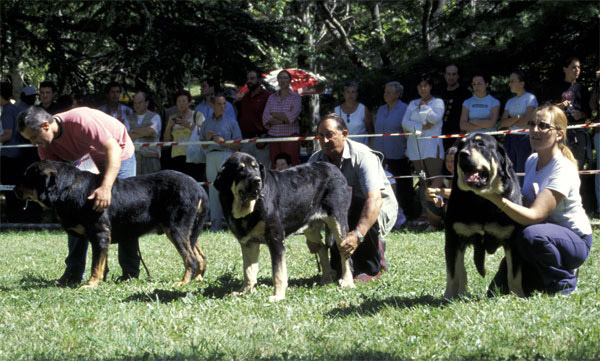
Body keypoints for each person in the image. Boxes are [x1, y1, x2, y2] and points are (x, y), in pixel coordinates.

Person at [18, 106, 139, 285]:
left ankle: (130, 273)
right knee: (73, 215)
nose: (34, 143)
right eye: (30, 140)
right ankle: (74, 273)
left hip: (118, 154)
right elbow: (59, 181)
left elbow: (113, 149)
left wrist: (105, 187)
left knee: (125, 214)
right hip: (85, 162)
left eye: (34, 137)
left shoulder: (81, 122)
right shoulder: (46, 148)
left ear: (45, 125)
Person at [482, 105, 592, 295]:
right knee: (497, 292)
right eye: (532, 124)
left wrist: (494, 197)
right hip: (541, 235)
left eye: (543, 126)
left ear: (559, 134)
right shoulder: (532, 160)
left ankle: (564, 282)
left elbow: (533, 215)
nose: (534, 130)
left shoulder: (563, 169)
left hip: (573, 240)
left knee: (531, 234)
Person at [309, 114, 397, 281]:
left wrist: (357, 234)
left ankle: (372, 265)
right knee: (338, 269)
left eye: (329, 134)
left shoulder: (364, 156)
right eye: (320, 136)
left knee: (357, 204)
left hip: (376, 209)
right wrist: (311, 236)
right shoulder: (315, 161)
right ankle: (340, 264)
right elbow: (308, 202)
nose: (324, 140)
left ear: (345, 134)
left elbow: (375, 200)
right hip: (341, 212)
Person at [402, 73, 445, 223]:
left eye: (426, 85)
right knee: (422, 180)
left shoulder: (438, 102)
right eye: (420, 86)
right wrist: (420, 126)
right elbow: (404, 123)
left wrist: (425, 108)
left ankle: (436, 212)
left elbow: (434, 119)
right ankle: (424, 212)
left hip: (432, 147)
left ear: (430, 87)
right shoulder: (412, 103)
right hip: (415, 147)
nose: (423, 88)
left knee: (435, 180)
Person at [200, 93, 242, 231]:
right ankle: (215, 224)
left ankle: (231, 224)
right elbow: (203, 145)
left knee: (229, 188)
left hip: (226, 155)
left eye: (224, 104)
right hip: (211, 156)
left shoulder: (231, 121)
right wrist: (207, 139)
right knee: (213, 189)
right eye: (219, 104)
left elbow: (239, 144)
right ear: (212, 105)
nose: (223, 107)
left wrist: (224, 143)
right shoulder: (206, 123)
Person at [373, 81, 415, 219]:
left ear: (397, 94)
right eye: (385, 92)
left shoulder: (405, 109)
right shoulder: (381, 109)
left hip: (398, 153)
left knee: (402, 187)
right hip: (381, 155)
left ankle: (407, 214)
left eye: (389, 92)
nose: (385, 94)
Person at [1, 84, 42, 222]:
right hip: (20, 155)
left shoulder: (9, 110)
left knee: (11, 188)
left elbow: (7, 135)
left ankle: (14, 217)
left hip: (11, 156)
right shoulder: (16, 109)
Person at [545, 57, 592, 171]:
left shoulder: (582, 89)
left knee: (578, 166)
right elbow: (546, 109)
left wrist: (581, 114)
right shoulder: (555, 87)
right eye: (574, 67)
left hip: (579, 132)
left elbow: (589, 113)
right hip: (560, 132)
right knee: (560, 165)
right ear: (565, 69)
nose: (577, 70)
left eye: (579, 67)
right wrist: (560, 106)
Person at [498, 70, 538, 174]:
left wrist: (510, 121)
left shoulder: (530, 98)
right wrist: (517, 118)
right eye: (509, 81)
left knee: (523, 170)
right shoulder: (510, 101)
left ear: (522, 83)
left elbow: (527, 120)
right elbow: (502, 123)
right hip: (510, 138)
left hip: (525, 138)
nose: (509, 84)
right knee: (509, 170)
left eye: (512, 81)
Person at [262, 70, 302, 167]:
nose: (283, 80)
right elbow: (265, 118)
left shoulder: (296, 97)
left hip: (290, 136)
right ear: (277, 81)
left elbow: (291, 117)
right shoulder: (271, 97)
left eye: (285, 78)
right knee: (275, 166)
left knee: (292, 165)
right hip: (274, 137)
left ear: (290, 81)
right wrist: (284, 119)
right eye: (280, 78)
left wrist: (274, 114)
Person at [163, 89, 204, 178]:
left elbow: (202, 133)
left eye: (184, 101)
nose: (181, 104)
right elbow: (166, 141)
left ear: (189, 102)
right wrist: (169, 127)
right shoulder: (172, 117)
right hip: (176, 156)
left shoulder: (197, 115)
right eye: (178, 101)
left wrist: (188, 125)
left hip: (193, 157)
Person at [237, 70, 271, 168]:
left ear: (259, 80)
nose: (249, 81)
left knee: (263, 172)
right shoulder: (245, 98)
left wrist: (266, 138)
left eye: (252, 79)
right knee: (246, 173)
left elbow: (271, 119)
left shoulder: (267, 96)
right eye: (248, 79)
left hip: (261, 141)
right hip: (245, 141)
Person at [124, 91, 162, 175]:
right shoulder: (128, 118)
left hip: (151, 158)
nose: (137, 105)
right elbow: (126, 136)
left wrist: (133, 130)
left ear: (147, 103)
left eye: (140, 102)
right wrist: (144, 131)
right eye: (135, 103)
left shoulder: (155, 117)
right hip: (133, 158)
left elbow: (150, 131)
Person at [437, 64, 472, 151]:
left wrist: (458, 141)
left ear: (458, 76)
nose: (451, 77)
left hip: (457, 138)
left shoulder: (465, 94)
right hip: (437, 137)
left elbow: (467, 119)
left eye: (454, 74)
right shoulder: (438, 92)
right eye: (448, 74)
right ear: (445, 75)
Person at [424, 146, 457, 230]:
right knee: (430, 202)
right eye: (447, 161)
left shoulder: (466, 176)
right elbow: (428, 191)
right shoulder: (442, 176)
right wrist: (434, 198)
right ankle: (433, 226)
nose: (449, 164)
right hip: (444, 204)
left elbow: (455, 194)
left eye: (452, 161)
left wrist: (437, 191)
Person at [333, 81, 374, 145]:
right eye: (348, 92)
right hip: (343, 147)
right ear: (344, 94)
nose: (350, 95)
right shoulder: (336, 110)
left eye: (353, 92)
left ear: (357, 94)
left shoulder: (363, 109)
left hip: (361, 147)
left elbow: (370, 130)